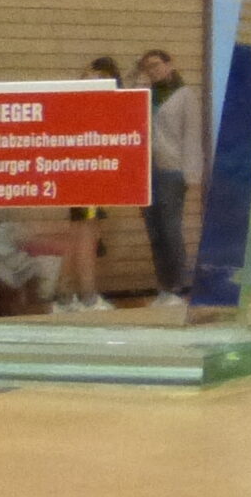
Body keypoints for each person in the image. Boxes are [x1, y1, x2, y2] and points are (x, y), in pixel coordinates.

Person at [57, 55, 123, 312]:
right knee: (85, 236)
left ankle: (64, 297)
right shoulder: (84, 102)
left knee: (79, 235)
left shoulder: (104, 105)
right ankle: (87, 296)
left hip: (90, 177)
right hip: (84, 178)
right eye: (96, 76)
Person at [135, 48, 201, 299]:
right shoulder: (144, 94)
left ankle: (179, 283)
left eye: (156, 65)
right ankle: (163, 284)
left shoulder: (184, 95)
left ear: (169, 64)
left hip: (172, 170)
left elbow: (192, 136)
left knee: (170, 228)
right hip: (145, 171)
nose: (152, 70)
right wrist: (137, 77)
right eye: (147, 67)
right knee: (154, 230)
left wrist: (190, 175)